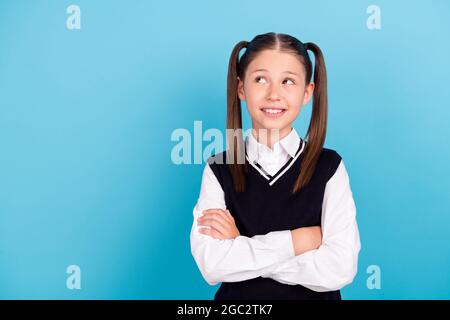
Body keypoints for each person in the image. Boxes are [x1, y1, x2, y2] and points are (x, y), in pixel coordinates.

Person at [190, 32, 361, 300]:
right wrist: (298, 242)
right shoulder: (218, 168)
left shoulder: (329, 167)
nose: (274, 94)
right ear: (241, 89)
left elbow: (340, 268)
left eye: (288, 81)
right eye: (260, 79)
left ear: (307, 93)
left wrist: (241, 247)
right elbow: (212, 264)